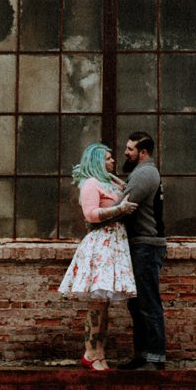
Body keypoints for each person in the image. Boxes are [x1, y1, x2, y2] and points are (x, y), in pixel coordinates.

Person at [56, 142, 138, 371]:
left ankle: (99, 352)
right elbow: (90, 215)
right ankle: (90, 352)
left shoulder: (107, 182)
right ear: (97, 161)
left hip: (115, 243)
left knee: (104, 304)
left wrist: (113, 179)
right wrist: (119, 210)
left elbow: (127, 189)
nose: (113, 161)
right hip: (102, 244)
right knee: (98, 303)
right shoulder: (90, 184)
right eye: (108, 158)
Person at [118, 130, 167, 371]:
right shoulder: (141, 173)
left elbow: (123, 204)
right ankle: (142, 355)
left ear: (143, 152)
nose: (126, 152)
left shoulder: (145, 173)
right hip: (140, 245)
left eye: (130, 149)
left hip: (146, 246)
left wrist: (96, 214)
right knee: (137, 304)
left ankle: (155, 359)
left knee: (147, 302)